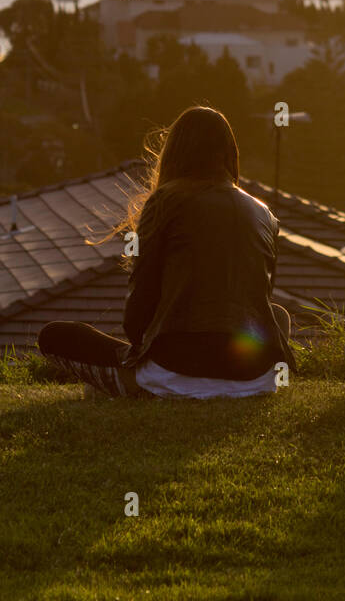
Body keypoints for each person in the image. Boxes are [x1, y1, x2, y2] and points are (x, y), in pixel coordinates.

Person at [39, 105, 294, 399]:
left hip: (175, 373)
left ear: (174, 153)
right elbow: (261, 302)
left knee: (54, 335)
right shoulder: (264, 213)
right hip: (257, 379)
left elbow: (137, 319)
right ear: (230, 154)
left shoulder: (165, 200)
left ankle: (130, 384)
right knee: (279, 315)